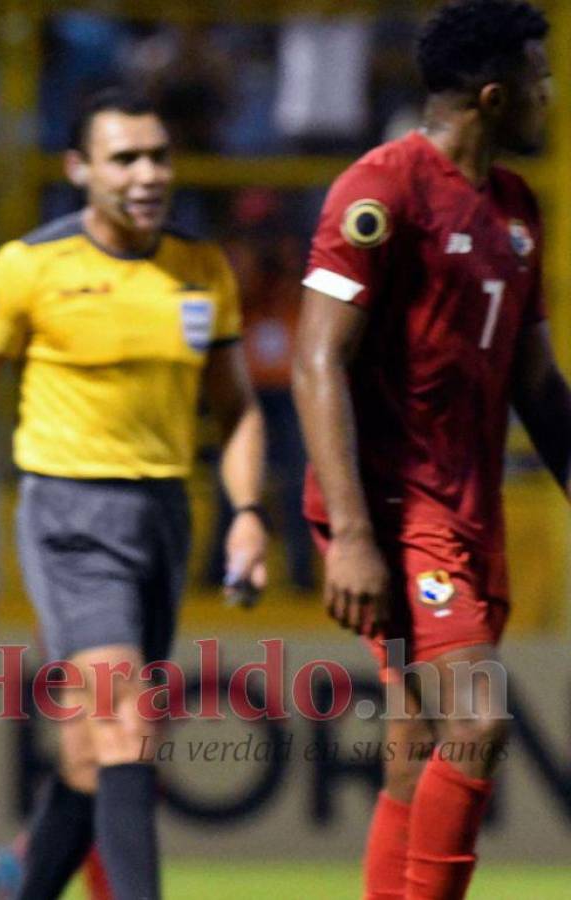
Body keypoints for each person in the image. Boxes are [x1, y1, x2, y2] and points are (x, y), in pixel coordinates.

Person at [0, 88, 267, 900]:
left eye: (160, 156)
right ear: (79, 169)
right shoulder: (31, 267)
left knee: (90, 753)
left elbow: (239, 409)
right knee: (125, 727)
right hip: (71, 514)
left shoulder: (201, 267)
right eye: (126, 158)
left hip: (167, 514)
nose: (148, 174)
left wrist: (248, 514)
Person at [291, 3, 569, 899]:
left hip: (467, 510)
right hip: (396, 512)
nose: (551, 96)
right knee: (477, 724)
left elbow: (539, 387)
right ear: (494, 96)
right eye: (541, 78)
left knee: (416, 755)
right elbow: (315, 358)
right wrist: (359, 538)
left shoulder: (518, 210)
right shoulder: (383, 190)